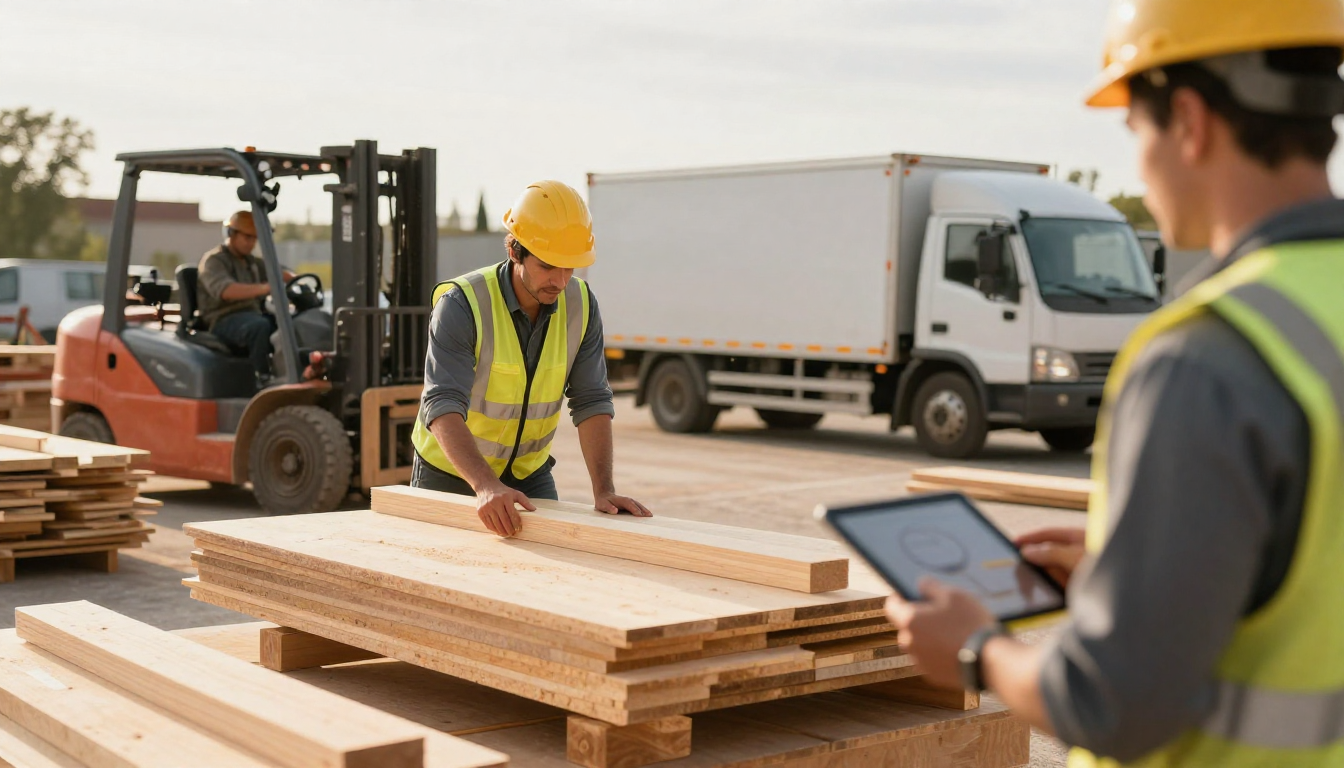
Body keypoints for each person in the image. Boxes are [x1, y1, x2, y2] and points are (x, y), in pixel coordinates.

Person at [884, 1, 1344, 765]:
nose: (1139, 164)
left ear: (1189, 121)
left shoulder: (1205, 359)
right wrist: (1128, 577)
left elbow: (1115, 700)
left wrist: (976, 650)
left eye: (1135, 129)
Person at [412, 181, 652, 537]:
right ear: (515, 251)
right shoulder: (463, 304)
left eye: (570, 267)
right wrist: (485, 485)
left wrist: (604, 489)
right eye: (548, 266)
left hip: (529, 473)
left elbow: (591, 400)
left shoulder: (581, 305)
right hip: (452, 474)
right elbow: (442, 403)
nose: (560, 280)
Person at [197, 211, 293, 385]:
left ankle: (292, 372)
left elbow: (282, 273)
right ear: (231, 234)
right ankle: (262, 378)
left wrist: (296, 280)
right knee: (259, 327)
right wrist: (265, 288)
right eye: (247, 237)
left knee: (288, 322)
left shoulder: (252, 262)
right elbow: (226, 290)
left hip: (251, 315)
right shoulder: (214, 261)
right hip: (223, 320)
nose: (251, 243)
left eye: (254, 238)